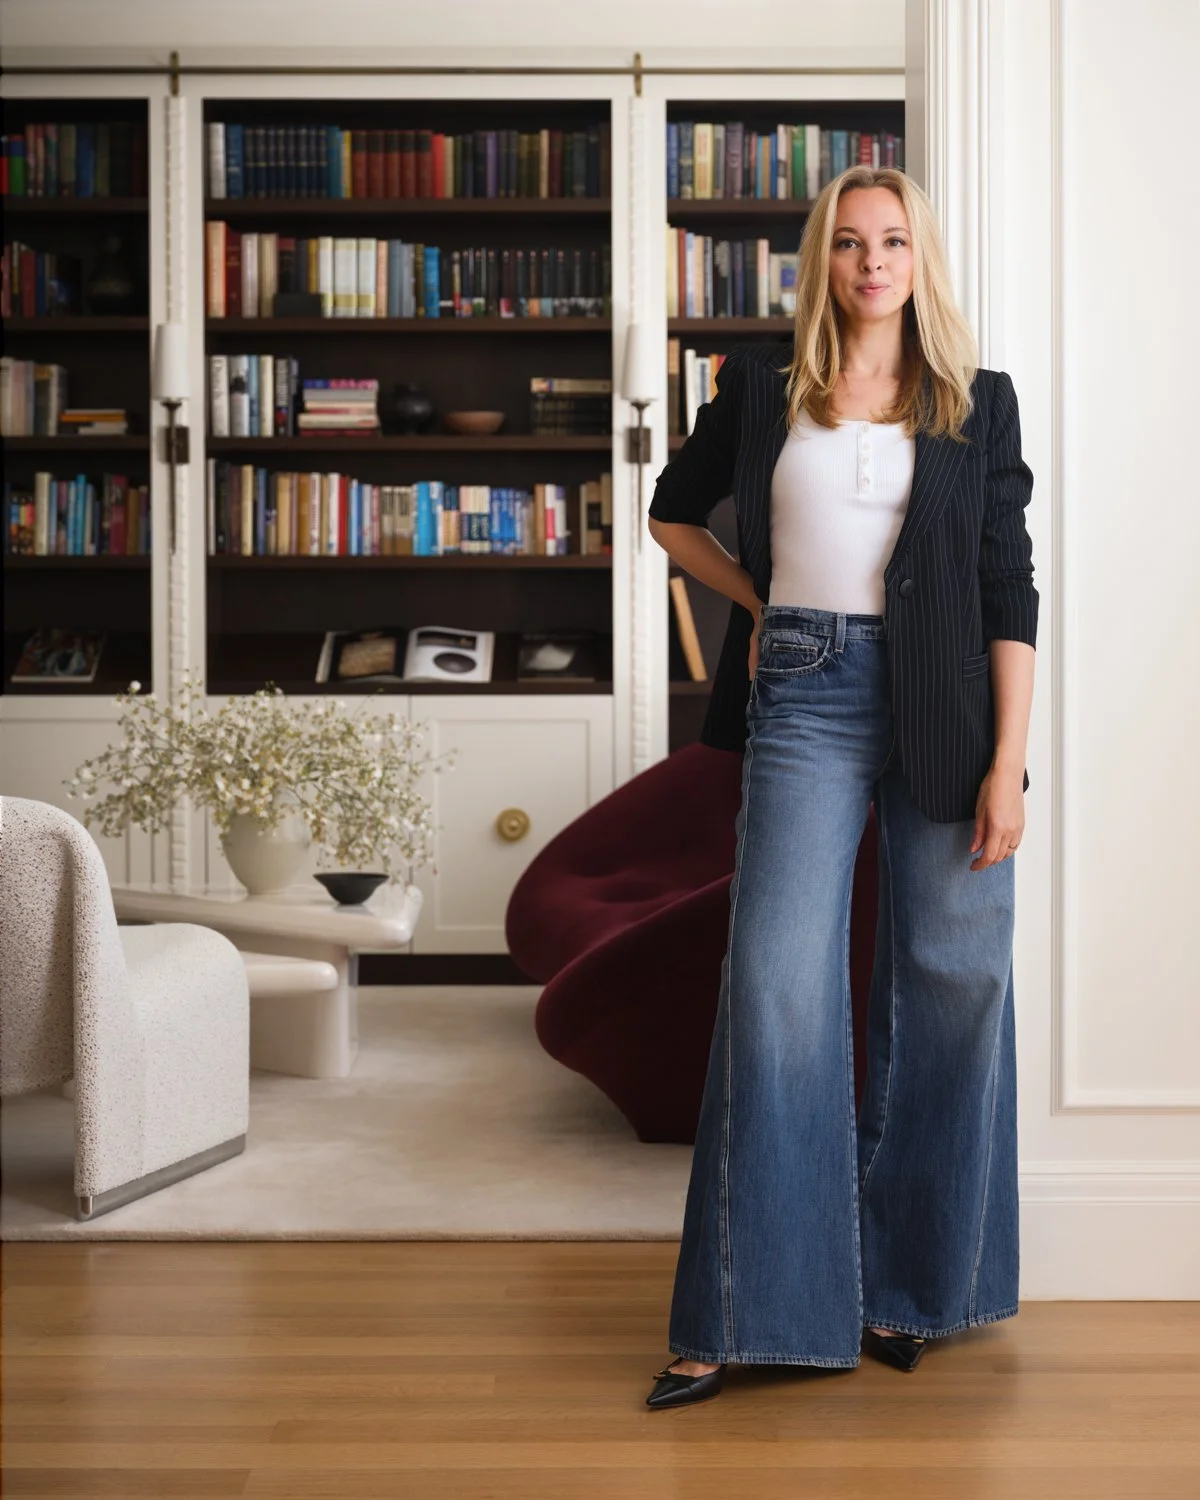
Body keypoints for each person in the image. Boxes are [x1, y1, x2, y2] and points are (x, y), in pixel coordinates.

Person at [642, 164, 1037, 1410]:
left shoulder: (979, 401)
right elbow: (671, 515)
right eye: (853, 242)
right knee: (775, 985)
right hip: (805, 687)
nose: (875, 262)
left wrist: (1009, 767)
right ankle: (744, 1312)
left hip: (950, 706)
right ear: (823, 258)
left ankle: (916, 1290)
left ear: (922, 259)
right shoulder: (759, 387)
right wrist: (762, 608)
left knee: (950, 980)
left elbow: (1008, 590)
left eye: (895, 241)